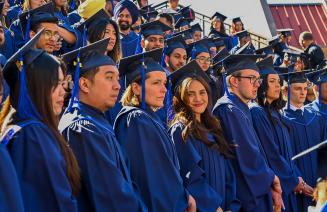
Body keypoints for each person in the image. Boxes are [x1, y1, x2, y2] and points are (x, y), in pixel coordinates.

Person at [59, 38, 146, 211]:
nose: (118, 86)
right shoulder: (82, 128)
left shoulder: (96, 121)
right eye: (109, 78)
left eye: (118, 78)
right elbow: (113, 199)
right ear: (84, 84)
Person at [0, 30, 80, 211]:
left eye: (62, 84)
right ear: (35, 87)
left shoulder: (18, 128)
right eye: (55, 83)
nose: (63, 92)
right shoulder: (34, 134)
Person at [114, 48, 196, 212]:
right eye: (156, 83)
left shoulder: (147, 117)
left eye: (164, 83)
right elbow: (152, 177)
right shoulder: (136, 120)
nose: (164, 90)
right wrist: (182, 198)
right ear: (136, 88)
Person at [212, 54, 283, 211]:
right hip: (244, 194)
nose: (258, 84)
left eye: (258, 79)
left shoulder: (241, 108)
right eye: (252, 78)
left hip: (253, 189)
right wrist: (271, 178)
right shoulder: (228, 110)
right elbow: (247, 154)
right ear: (234, 81)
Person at [169, 60, 240, 211]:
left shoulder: (213, 127)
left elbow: (228, 172)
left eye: (202, 92)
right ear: (181, 98)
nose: (198, 99)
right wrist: (214, 207)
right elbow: (191, 176)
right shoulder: (180, 130)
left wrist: (230, 206)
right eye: (190, 94)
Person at [251, 56, 313, 211]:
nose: (277, 85)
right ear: (261, 84)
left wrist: (298, 178)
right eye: (272, 81)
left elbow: (288, 154)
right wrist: (293, 180)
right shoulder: (257, 113)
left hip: (288, 183)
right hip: (278, 185)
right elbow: (272, 154)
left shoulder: (275, 112)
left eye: (278, 81)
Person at [282, 71, 327, 212]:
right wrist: (298, 182)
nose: (303, 92)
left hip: (319, 187)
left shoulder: (316, 117)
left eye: (304, 88)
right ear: (286, 91)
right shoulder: (281, 119)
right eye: (297, 88)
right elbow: (282, 155)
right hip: (297, 188)